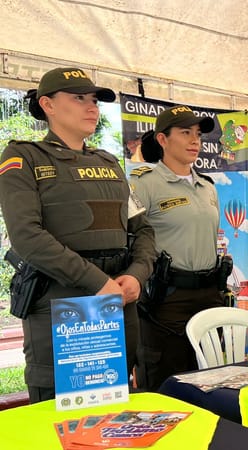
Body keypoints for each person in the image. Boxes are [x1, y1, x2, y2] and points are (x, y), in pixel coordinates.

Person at [0, 67, 155, 403]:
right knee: (63, 419)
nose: (92, 107)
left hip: (119, 301)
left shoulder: (110, 163)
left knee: (116, 413)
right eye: (79, 98)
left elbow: (142, 230)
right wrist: (98, 283)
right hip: (61, 307)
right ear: (48, 105)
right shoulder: (23, 157)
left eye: (94, 100)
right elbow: (27, 235)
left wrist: (137, 275)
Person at [129, 105, 230, 391]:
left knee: (210, 383)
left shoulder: (208, 187)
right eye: (185, 133)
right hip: (166, 300)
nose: (195, 140)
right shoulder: (143, 184)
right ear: (162, 140)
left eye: (197, 134)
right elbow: (131, 239)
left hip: (209, 296)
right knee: (167, 385)